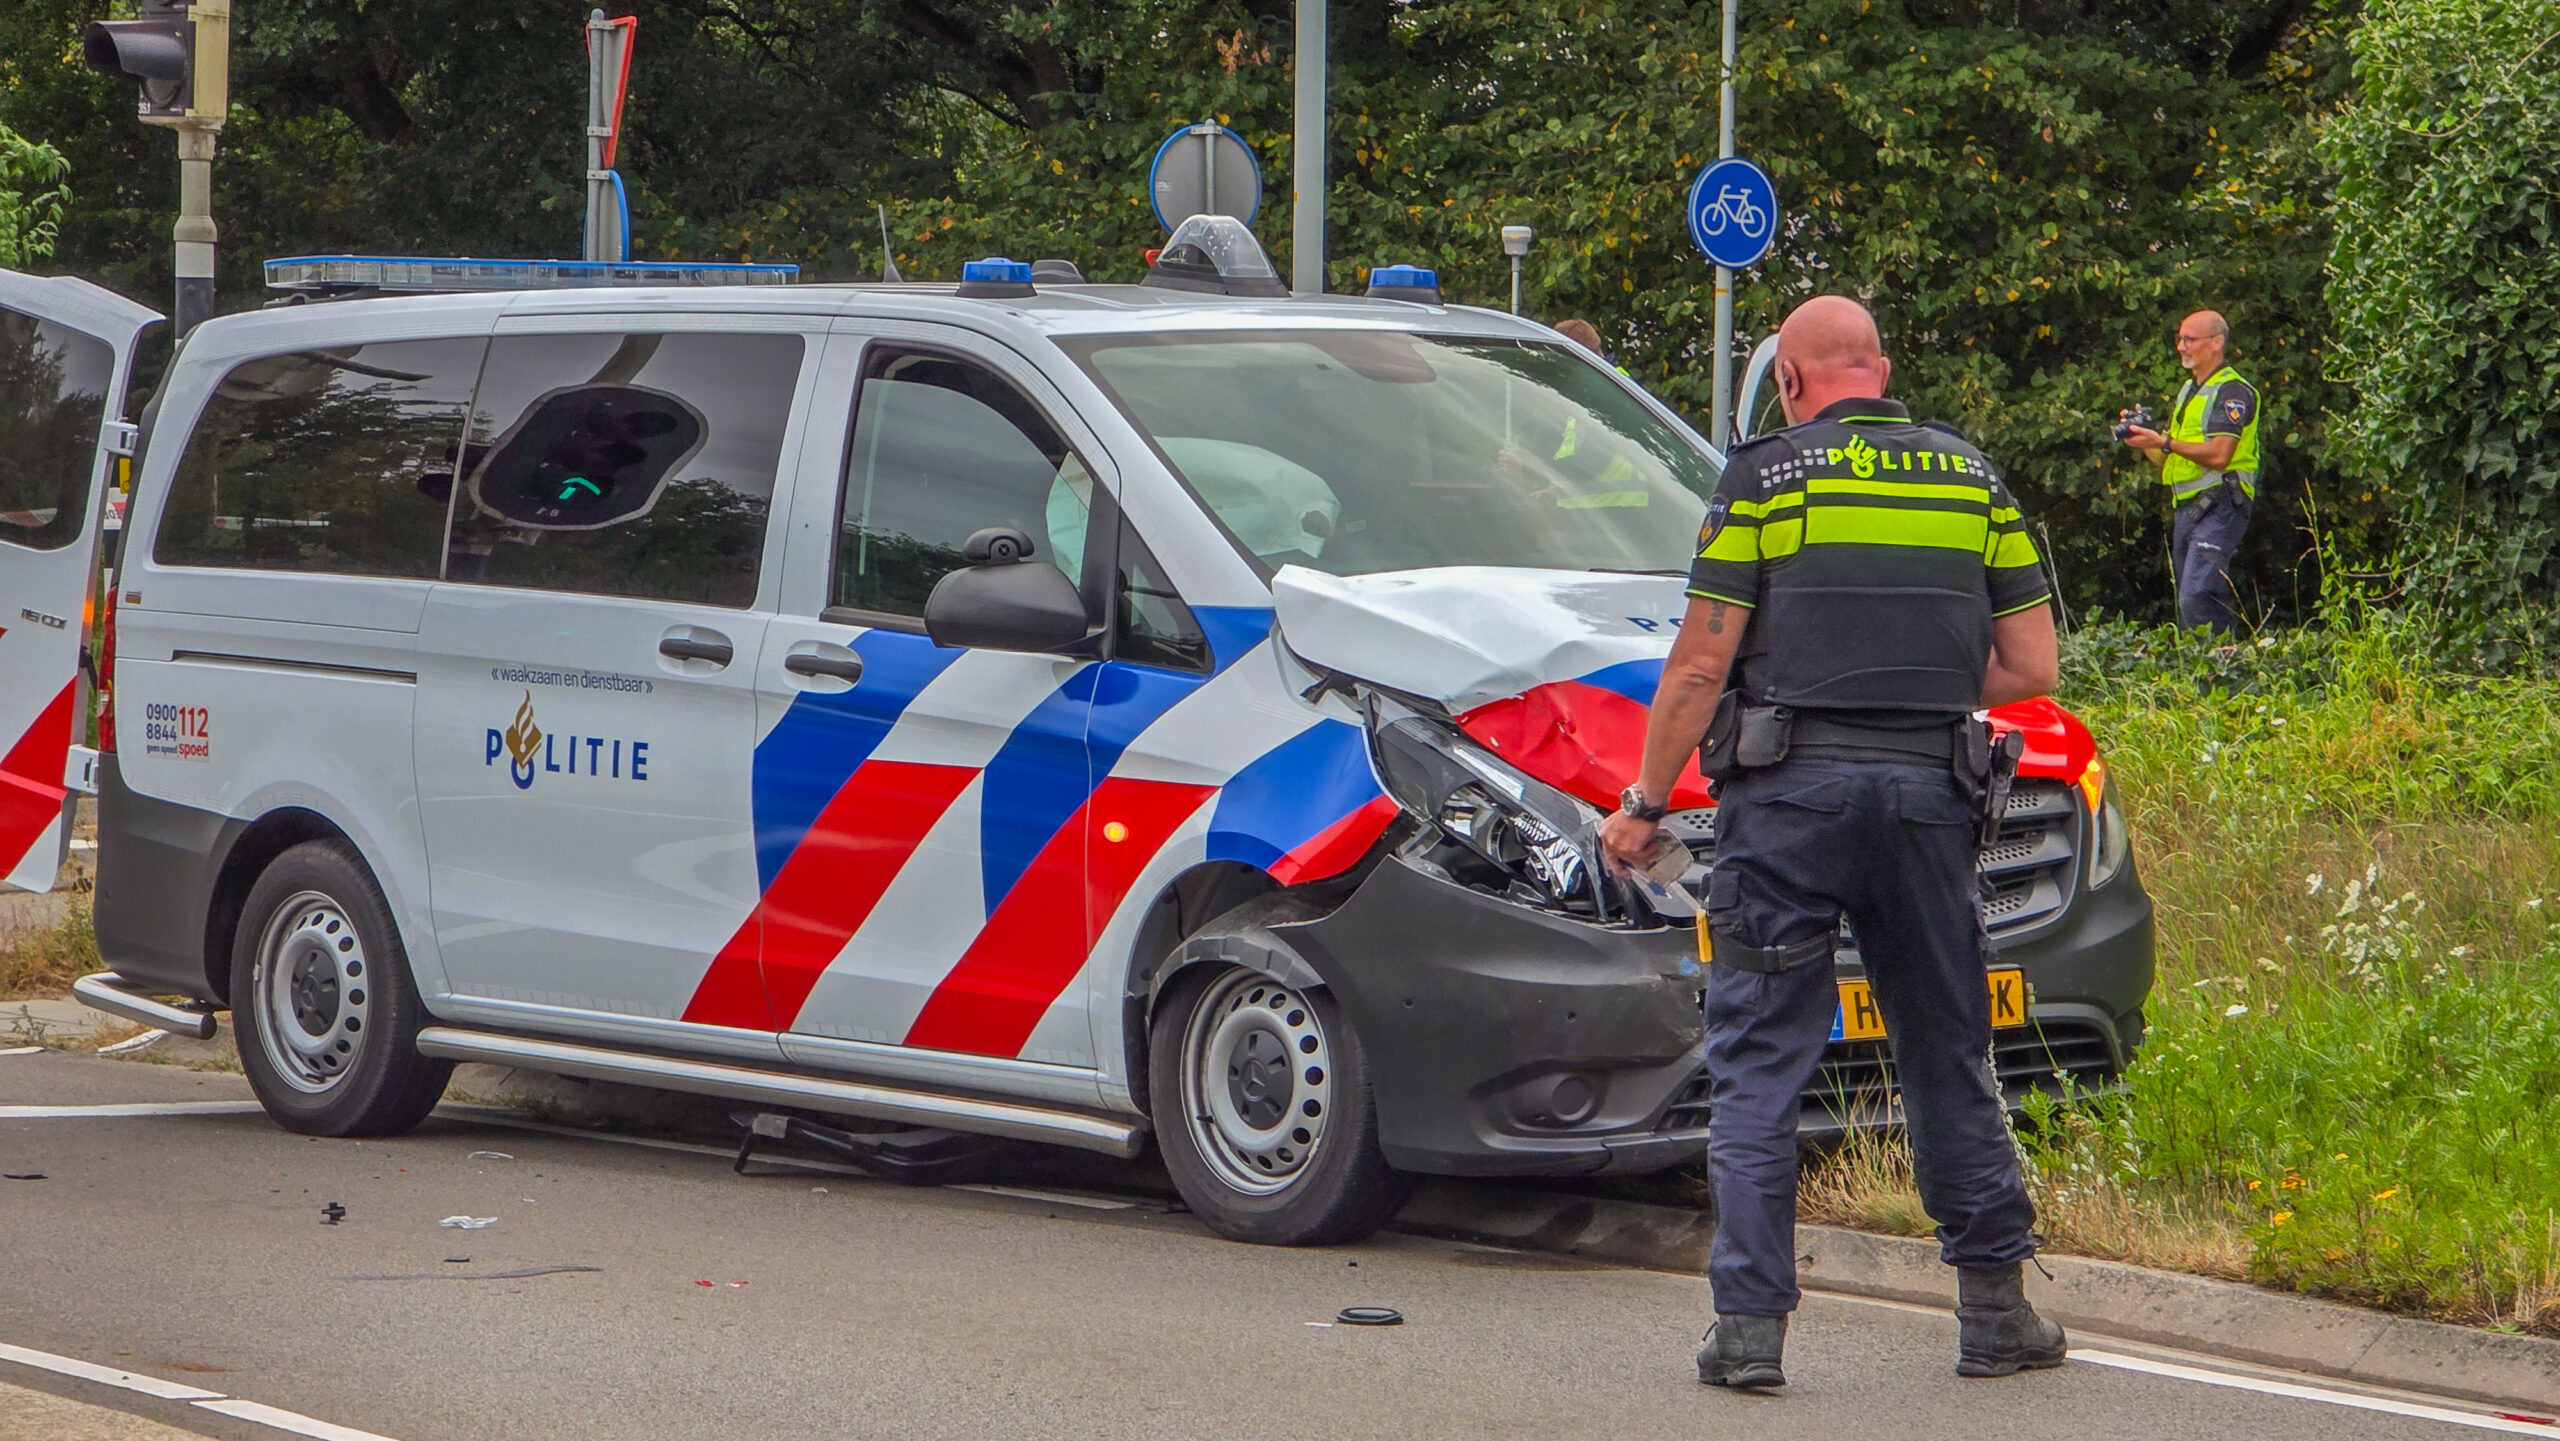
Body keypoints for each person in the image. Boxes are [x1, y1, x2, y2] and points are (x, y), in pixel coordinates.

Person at [1598, 296, 2067, 1390]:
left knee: (1760, 1057)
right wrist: (1915, 692)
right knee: (1946, 1046)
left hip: (1788, 804)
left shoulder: (1764, 479)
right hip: (1929, 800)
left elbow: (1701, 665)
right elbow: (2032, 665)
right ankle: (1995, 1312)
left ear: (1791, 382)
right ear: (1882, 371)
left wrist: (1645, 801)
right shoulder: (1970, 477)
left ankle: (1749, 1332)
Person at [2120, 310, 2262, 633]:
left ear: (2216, 343)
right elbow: (2168, 459)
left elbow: (2220, 455)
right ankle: (2208, 663)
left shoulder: (2233, 391)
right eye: (2180, 339)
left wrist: (2164, 441)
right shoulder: (2190, 390)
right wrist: (2145, 440)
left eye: (2189, 339)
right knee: (2188, 607)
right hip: (2189, 509)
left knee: (2198, 595)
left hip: (2222, 503)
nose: (2181, 347)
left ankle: (2225, 661)